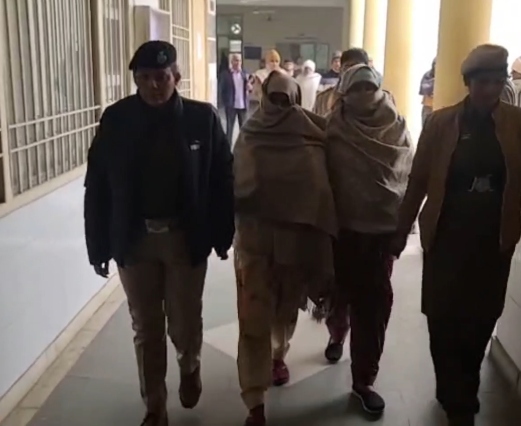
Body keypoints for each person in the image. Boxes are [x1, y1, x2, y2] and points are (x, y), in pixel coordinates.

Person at [390, 44, 521, 426]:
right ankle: (454, 393)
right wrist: (399, 233)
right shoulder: (441, 123)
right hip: (446, 237)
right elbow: (417, 182)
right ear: (468, 83)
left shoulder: (520, 123)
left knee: (481, 318)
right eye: (484, 82)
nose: (491, 90)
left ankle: (463, 389)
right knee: (442, 317)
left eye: (498, 81)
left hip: (493, 240)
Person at [84, 41, 234, 426]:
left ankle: (189, 365)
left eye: (162, 77)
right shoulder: (117, 120)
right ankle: (155, 406)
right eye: (146, 78)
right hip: (135, 240)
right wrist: (97, 245)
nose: (154, 85)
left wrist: (223, 233)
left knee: (184, 323)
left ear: (176, 77)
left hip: (184, 238)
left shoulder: (201, 118)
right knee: (146, 327)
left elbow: (222, 179)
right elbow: (97, 185)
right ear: (136, 80)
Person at [233, 70, 337, 426]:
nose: (280, 106)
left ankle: (279, 355)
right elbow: (237, 183)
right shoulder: (251, 134)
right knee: (253, 319)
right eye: (274, 98)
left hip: (295, 242)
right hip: (255, 243)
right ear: (264, 98)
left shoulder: (311, 135)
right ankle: (254, 400)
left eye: (286, 100)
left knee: (285, 310)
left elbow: (321, 187)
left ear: (296, 100)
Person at [324, 64, 413, 415]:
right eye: (355, 88)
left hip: (381, 234)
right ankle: (337, 333)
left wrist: (403, 228)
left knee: (374, 307)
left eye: (368, 87)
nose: (363, 95)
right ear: (344, 93)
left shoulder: (398, 127)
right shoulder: (333, 127)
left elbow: (406, 177)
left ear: (379, 89)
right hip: (341, 231)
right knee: (338, 296)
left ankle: (364, 381)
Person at [313, 48, 369, 117]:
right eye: (348, 67)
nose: (352, 72)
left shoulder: (376, 101)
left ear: (366, 70)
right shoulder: (322, 99)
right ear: (341, 69)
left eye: (357, 68)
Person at [219, 53, 252, 141]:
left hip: (243, 105)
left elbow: (250, 88)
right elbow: (221, 89)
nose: (238, 63)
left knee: (244, 129)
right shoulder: (226, 74)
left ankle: (243, 147)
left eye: (239, 60)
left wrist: (250, 88)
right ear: (232, 61)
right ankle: (227, 147)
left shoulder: (244, 74)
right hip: (231, 106)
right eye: (236, 60)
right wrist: (225, 102)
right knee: (229, 129)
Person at [419, 58, 436, 125]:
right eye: (435, 64)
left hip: (439, 108)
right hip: (428, 107)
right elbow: (423, 89)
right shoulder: (427, 75)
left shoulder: (445, 77)